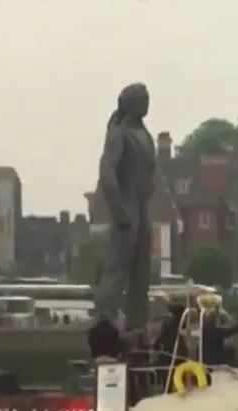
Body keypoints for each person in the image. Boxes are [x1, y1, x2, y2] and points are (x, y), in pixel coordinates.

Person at [93, 83, 156, 333]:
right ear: (130, 102)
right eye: (143, 97)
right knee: (117, 269)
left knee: (142, 273)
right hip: (127, 205)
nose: (147, 101)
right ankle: (104, 322)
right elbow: (107, 172)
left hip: (143, 206)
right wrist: (119, 210)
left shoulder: (145, 134)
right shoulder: (118, 133)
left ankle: (137, 327)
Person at [152, 303, 189, 392]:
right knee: (178, 377)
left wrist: (156, 345)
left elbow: (163, 335)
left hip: (170, 353)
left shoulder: (169, 322)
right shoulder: (179, 322)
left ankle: (169, 391)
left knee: (168, 377)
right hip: (179, 353)